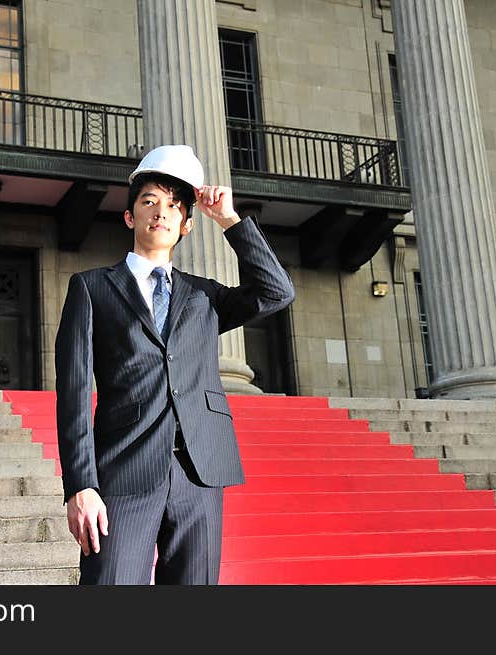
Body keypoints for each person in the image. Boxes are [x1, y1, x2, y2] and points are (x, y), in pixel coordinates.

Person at [55, 144, 295, 585]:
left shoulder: (205, 297)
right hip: (123, 473)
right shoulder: (91, 289)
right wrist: (80, 486)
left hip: (198, 475)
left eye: (172, 205)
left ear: (186, 226)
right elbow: (72, 395)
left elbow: (276, 292)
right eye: (149, 201)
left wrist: (229, 220)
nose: (160, 212)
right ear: (130, 217)